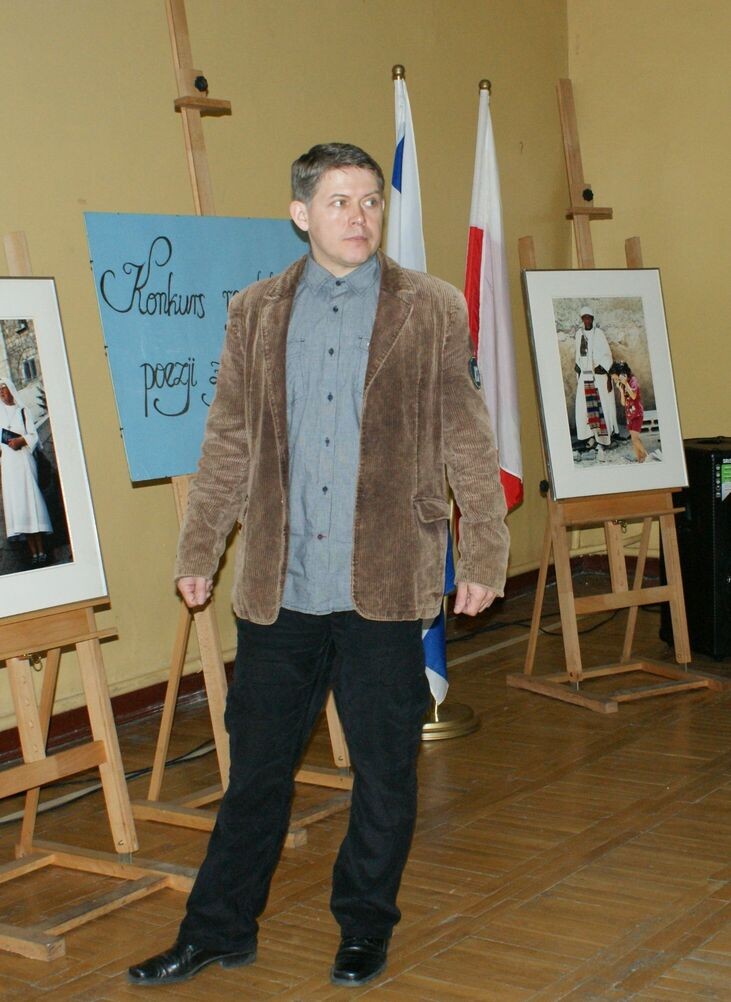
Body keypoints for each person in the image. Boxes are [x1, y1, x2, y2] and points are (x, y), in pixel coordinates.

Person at [128, 142, 510, 990]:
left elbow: (467, 440)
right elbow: (228, 440)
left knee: (384, 774)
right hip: (281, 590)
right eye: (339, 201)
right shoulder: (255, 311)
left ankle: (364, 927)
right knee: (256, 774)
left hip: (385, 586)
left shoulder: (431, 307)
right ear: (301, 213)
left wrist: (484, 549)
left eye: (369, 200)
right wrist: (200, 547)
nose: (358, 217)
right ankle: (217, 930)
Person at [0, 376, 52, 565]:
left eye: (4, 388)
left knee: (32, 501)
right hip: (9, 465)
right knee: (20, 506)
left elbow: (34, 436)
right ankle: (34, 554)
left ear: (11, 389)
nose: (1, 392)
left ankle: (42, 550)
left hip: (24, 461)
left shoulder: (23, 411)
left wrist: (21, 441)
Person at [573, 305, 617, 461]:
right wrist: (577, 365)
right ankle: (591, 436)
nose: (587, 320)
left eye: (589, 318)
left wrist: (603, 367)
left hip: (598, 376)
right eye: (584, 318)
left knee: (600, 407)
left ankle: (602, 440)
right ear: (582, 319)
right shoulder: (579, 334)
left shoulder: (599, 334)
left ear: (592, 319)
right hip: (585, 376)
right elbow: (578, 355)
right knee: (586, 408)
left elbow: (607, 355)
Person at [610, 360, 648, 462]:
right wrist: (621, 390)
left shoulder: (632, 381)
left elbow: (633, 396)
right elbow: (623, 403)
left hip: (637, 414)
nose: (615, 381)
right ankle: (640, 459)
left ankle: (646, 456)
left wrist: (626, 383)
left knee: (635, 438)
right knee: (633, 439)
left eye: (615, 378)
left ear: (621, 374)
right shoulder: (622, 385)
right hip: (629, 415)